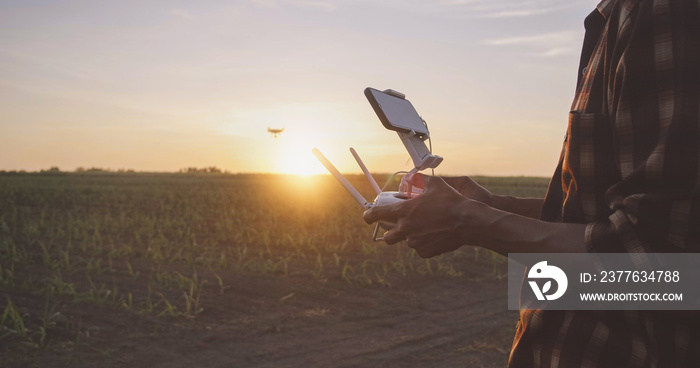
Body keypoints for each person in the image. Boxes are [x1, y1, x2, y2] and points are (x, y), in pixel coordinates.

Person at [363, 0, 700, 366]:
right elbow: (595, 214)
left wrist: (470, 222)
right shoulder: (614, 18)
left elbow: (662, 265)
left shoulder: (663, 11)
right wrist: (491, 204)